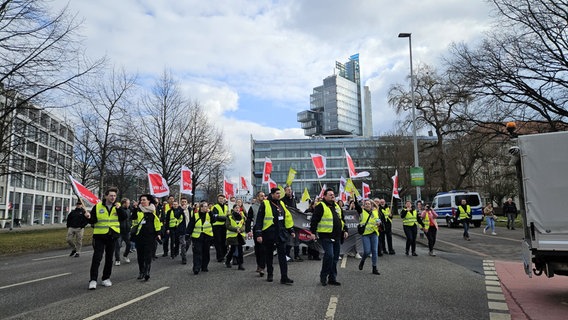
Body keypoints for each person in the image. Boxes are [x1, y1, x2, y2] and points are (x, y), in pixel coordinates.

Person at [85, 187, 127, 290]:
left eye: (114, 196)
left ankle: (106, 278)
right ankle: (93, 280)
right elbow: (93, 220)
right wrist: (88, 217)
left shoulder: (117, 206)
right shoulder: (98, 206)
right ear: (106, 196)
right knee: (97, 258)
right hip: (100, 236)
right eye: (111, 195)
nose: (113, 197)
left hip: (112, 236)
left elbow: (124, 217)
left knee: (109, 259)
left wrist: (119, 209)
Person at [255, 188, 295, 285]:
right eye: (277, 193)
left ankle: (284, 277)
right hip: (269, 233)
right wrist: (259, 234)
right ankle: (270, 274)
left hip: (280, 233)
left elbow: (287, 217)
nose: (279, 195)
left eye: (279, 193)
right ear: (272, 194)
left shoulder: (281, 204)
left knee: (282, 256)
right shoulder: (265, 203)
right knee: (269, 255)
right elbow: (259, 220)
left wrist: (291, 230)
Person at [309, 188, 348, 286]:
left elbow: (342, 219)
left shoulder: (337, 206)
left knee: (335, 258)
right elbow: (314, 220)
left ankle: (332, 278)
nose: (332, 196)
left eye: (333, 194)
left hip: (337, 235)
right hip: (326, 235)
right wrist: (313, 232)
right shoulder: (320, 206)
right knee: (329, 255)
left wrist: (345, 230)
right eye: (330, 194)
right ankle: (323, 276)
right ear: (324, 196)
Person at [131, 194, 162, 281]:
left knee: (148, 255)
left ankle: (147, 271)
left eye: (144, 200)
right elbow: (133, 219)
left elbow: (157, 222)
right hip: (139, 236)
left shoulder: (153, 210)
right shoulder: (138, 209)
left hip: (150, 236)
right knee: (140, 255)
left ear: (149, 201)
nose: (142, 201)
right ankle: (141, 271)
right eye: (141, 200)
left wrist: (158, 233)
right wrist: (135, 208)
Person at [188, 201, 216, 275]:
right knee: (197, 252)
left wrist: (210, 213)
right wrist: (188, 234)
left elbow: (214, 220)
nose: (206, 208)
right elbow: (191, 225)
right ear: (201, 207)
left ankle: (204, 266)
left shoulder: (209, 215)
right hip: (197, 237)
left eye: (207, 206)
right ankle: (196, 267)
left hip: (207, 236)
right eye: (204, 206)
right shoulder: (196, 215)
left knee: (206, 252)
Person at [354, 199, 381, 275]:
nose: (367, 205)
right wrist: (355, 198)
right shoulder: (361, 212)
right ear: (364, 205)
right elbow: (357, 206)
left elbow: (378, 220)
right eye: (366, 204)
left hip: (374, 233)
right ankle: (362, 260)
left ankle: (374, 268)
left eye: (369, 204)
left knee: (375, 251)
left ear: (371, 205)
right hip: (365, 234)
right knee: (367, 251)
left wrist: (379, 223)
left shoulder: (375, 212)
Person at [246, 191, 266, 276]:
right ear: (257, 197)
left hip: (266, 229)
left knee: (264, 249)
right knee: (258, 249)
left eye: (264, 196)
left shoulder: (267, 206)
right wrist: (248, 230)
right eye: (261, 196)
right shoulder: (253, 207)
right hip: (257, 229)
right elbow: (249, 219)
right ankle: (259, 265)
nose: (263, 197)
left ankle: (262, 267)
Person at [282, 186, 302, 262]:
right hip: (288, 223)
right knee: (289, 240)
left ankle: (296, 255)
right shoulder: (282, 201)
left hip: (295, 222)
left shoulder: (293, 199)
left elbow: (294, 209)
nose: (290, 191)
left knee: (296, 239)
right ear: (285, 191)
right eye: (288, 190)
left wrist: (298, 211)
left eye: (290, 190)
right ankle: (287, 255)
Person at [225, 204, 246, 270]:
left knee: (240, 250)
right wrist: (235, 229)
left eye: (238, 208)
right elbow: (228, 226)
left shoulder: (242, 216)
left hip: (239, 235)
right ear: (233, 209)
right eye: (236, 208)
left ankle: (240, 264)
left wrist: (241, 230)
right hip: (232, 236)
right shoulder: (229, 216)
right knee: (232, 249)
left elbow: (243, 225)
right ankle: (228, 261)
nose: (237, 209)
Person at [211, 194, 229, 262]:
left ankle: (223, 254)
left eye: (222, 198)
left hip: (224, 226)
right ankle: (219, 256)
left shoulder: (226, 207)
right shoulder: (215, 207)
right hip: (217, 226)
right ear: (218, 199)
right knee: (218, 242)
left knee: (224, 241)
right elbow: (216, 216)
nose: (221, 200)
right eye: (220, 198)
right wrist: (225, 218)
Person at [114, 198, 132, 265]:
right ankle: (117, 259)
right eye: (128, 203)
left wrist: (130, 225)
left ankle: (125, 255)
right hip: (119, 230)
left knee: (129, 244)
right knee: (118, 245)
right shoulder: (118, 210)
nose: (129, 204)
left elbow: (130, 219)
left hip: (127, 231)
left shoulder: (129, 210)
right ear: (124, 203)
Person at [175, 197, 192, 265]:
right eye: (182, 202)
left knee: (188, 244)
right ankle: (184, 259)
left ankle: (183, 253)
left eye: (185, 201)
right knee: (183, 244)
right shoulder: (179, 209)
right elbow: (176, 216)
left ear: (187, 202)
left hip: (189, 229)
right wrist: (182, 209)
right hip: (182, 229)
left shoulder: (190, 209)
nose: (184, 203)